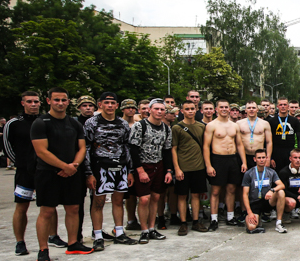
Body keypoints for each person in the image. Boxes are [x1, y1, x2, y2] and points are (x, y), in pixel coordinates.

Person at [30, 87, 93, 261]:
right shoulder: (41, 123)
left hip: (72, 172)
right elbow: (41, 151)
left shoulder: (74, 124)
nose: (60, 103)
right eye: (56, 100)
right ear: (49, 101)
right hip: (48, 173)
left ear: (68, 102)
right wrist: (64, 166)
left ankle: (73, 244)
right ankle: (43, 250)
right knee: (47, 211)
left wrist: (73, 166)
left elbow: (82, 148)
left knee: (73, 208)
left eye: (63, 100)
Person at [82, 93, 136, 250]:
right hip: (100, 166)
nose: (110, 106)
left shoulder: (122, 124)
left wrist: (130, 170)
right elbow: (86, 147)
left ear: (117, 105)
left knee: (118, 201)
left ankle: (119, 232)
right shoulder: (92, 123)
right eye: (107, 103)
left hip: (120, 166)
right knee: (98, 202)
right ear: (100, 104)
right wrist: (88, 173)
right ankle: (98, 236)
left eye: (113, 103)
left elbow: (127, 147)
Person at [128, 99, 174, 243]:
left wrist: (168, 170)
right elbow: (133, 149)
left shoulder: (166, 128)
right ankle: (144, 230)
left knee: (156, 197)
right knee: (144, 199)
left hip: (158, 165)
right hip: (143, 165)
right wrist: (139, 170)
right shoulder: (140, 126)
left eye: (162, 109)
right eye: (156, 109)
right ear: (149, 110)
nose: (159, 112)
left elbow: (167, 150)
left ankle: (152, 228)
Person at [4, 91, 42, 255]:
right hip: (24, 172)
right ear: (23, 103)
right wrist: (21, 163)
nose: (33, 104)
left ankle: (53, 236)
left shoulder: (44, 120)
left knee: (48, 206)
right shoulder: (13, 123)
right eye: (29, 101)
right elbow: (7, 147)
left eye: (36, 101)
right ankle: (20, 242)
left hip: (44, 171)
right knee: (21, 206)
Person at [203, 99, 246, 230]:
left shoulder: (234, 126)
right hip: (218, 159)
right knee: (216, 190)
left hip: (232, 159)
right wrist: (208, 165)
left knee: (231, 189)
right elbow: (206, 146)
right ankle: (214, 219)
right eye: (221, 107)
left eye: (226, 107)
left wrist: (243, 162)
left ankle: (230, 217)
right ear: (216, 109)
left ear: (229, 109)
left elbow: (239, 144)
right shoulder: (211, 125)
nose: (224, 109)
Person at [171, 99, 209, 235]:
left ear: (196, 110)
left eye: (192, 109)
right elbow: (174, 149)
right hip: (183, 168)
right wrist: (177, 168)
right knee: (182, 196)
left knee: (196, 195)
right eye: (187, 109)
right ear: (182, 111)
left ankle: (195, 221)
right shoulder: (176, 128)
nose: (190, 111)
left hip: (198, 167)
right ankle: (183, 223)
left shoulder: (201, 126)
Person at [241, 148, 287, 233]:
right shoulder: (249, 173)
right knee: (251, 227)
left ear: (266, 158)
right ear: (254, 159)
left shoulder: (271, 172)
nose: (261, 160)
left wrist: (272, 190)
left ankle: (279, 223)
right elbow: (245, 194)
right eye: (259, 158)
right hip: (254, 203)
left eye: (263, 157)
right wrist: (249, 212)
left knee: (281, 192)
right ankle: (257, 219)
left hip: (267, 201)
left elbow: (282, 185)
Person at [267, 97, 300, 170]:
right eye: (281, 105)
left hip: (290, 151)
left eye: (285, 104)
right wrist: (270, 158)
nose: (283, 106)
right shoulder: (271, 121)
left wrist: (298, 154)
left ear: (288, 106)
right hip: (276, 152)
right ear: (277, 106)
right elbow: (268, 141)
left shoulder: (294, 120)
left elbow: (299, 139)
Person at [237, 100, 273, 170]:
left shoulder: (265, 123)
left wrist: (268, 158)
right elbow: (237, 143)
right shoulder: (239, 123)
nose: (251, 110)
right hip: (244, 155)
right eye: (249, 108)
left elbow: (269, 142)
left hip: (259, 156)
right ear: (245, 110)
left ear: (257, 109)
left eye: (253, 108)